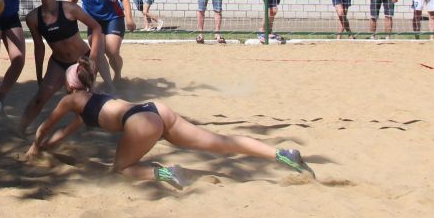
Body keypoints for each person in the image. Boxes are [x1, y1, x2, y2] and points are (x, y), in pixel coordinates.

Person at [26, 57, 315, 190]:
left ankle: (166, 173)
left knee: (121, 169)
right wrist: (46, 149)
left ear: (69, 85)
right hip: (155, 109)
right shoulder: (92, 100)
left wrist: (34, 148)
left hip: (140, 122)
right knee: (220, 143)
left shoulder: (70, 101)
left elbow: (46, 128)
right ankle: (282, 154)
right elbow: (62, 134)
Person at [19, 0, 106, 133]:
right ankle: (20, 129)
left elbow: (96, 27)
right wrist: (39, 76)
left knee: (84, 99)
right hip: (58, 63)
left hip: (82, 60)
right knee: (40, 98)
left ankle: (93, 127)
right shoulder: (33, 18)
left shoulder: (69, 8)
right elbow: (39, 47)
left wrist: (92, 59)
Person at [70, 0, 135, 85]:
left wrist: (129, 19)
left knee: (112, 51)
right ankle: (109, 85)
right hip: (93, 22)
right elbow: (71, 3)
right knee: (97, 52)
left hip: (113, 18)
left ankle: (117, 74)